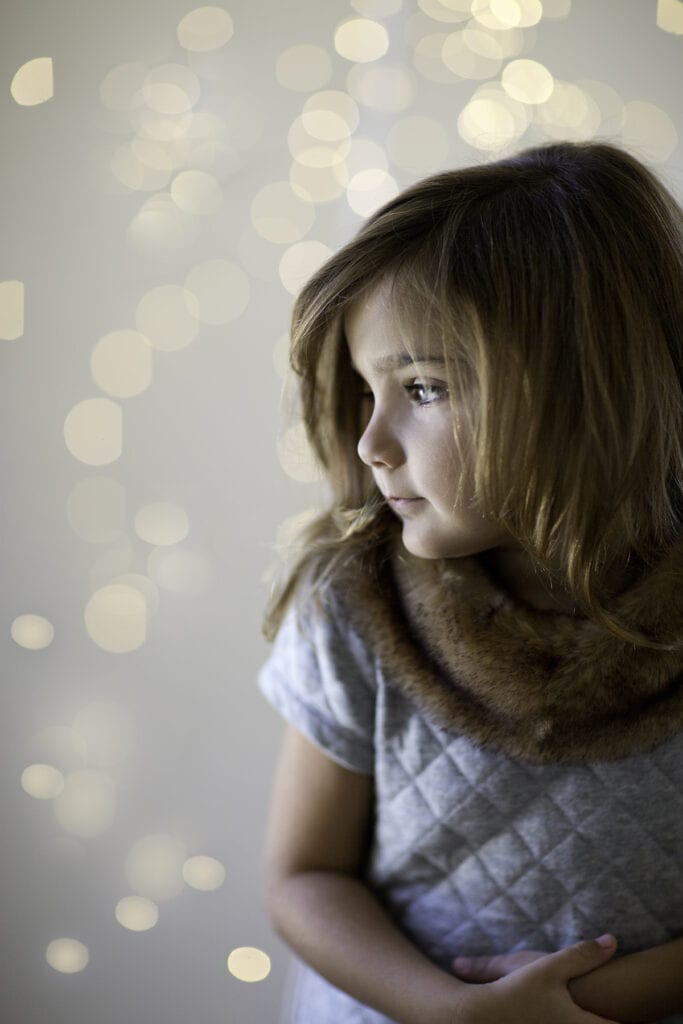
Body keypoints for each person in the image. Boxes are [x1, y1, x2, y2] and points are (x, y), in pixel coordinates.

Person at [257, 140, 683, 1024]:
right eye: (367, 390)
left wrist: (577, 1006)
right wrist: (453, 1011)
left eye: (421, 388)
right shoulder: (358, 605)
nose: (372, 442)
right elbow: (304, 875)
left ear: (583, 386)